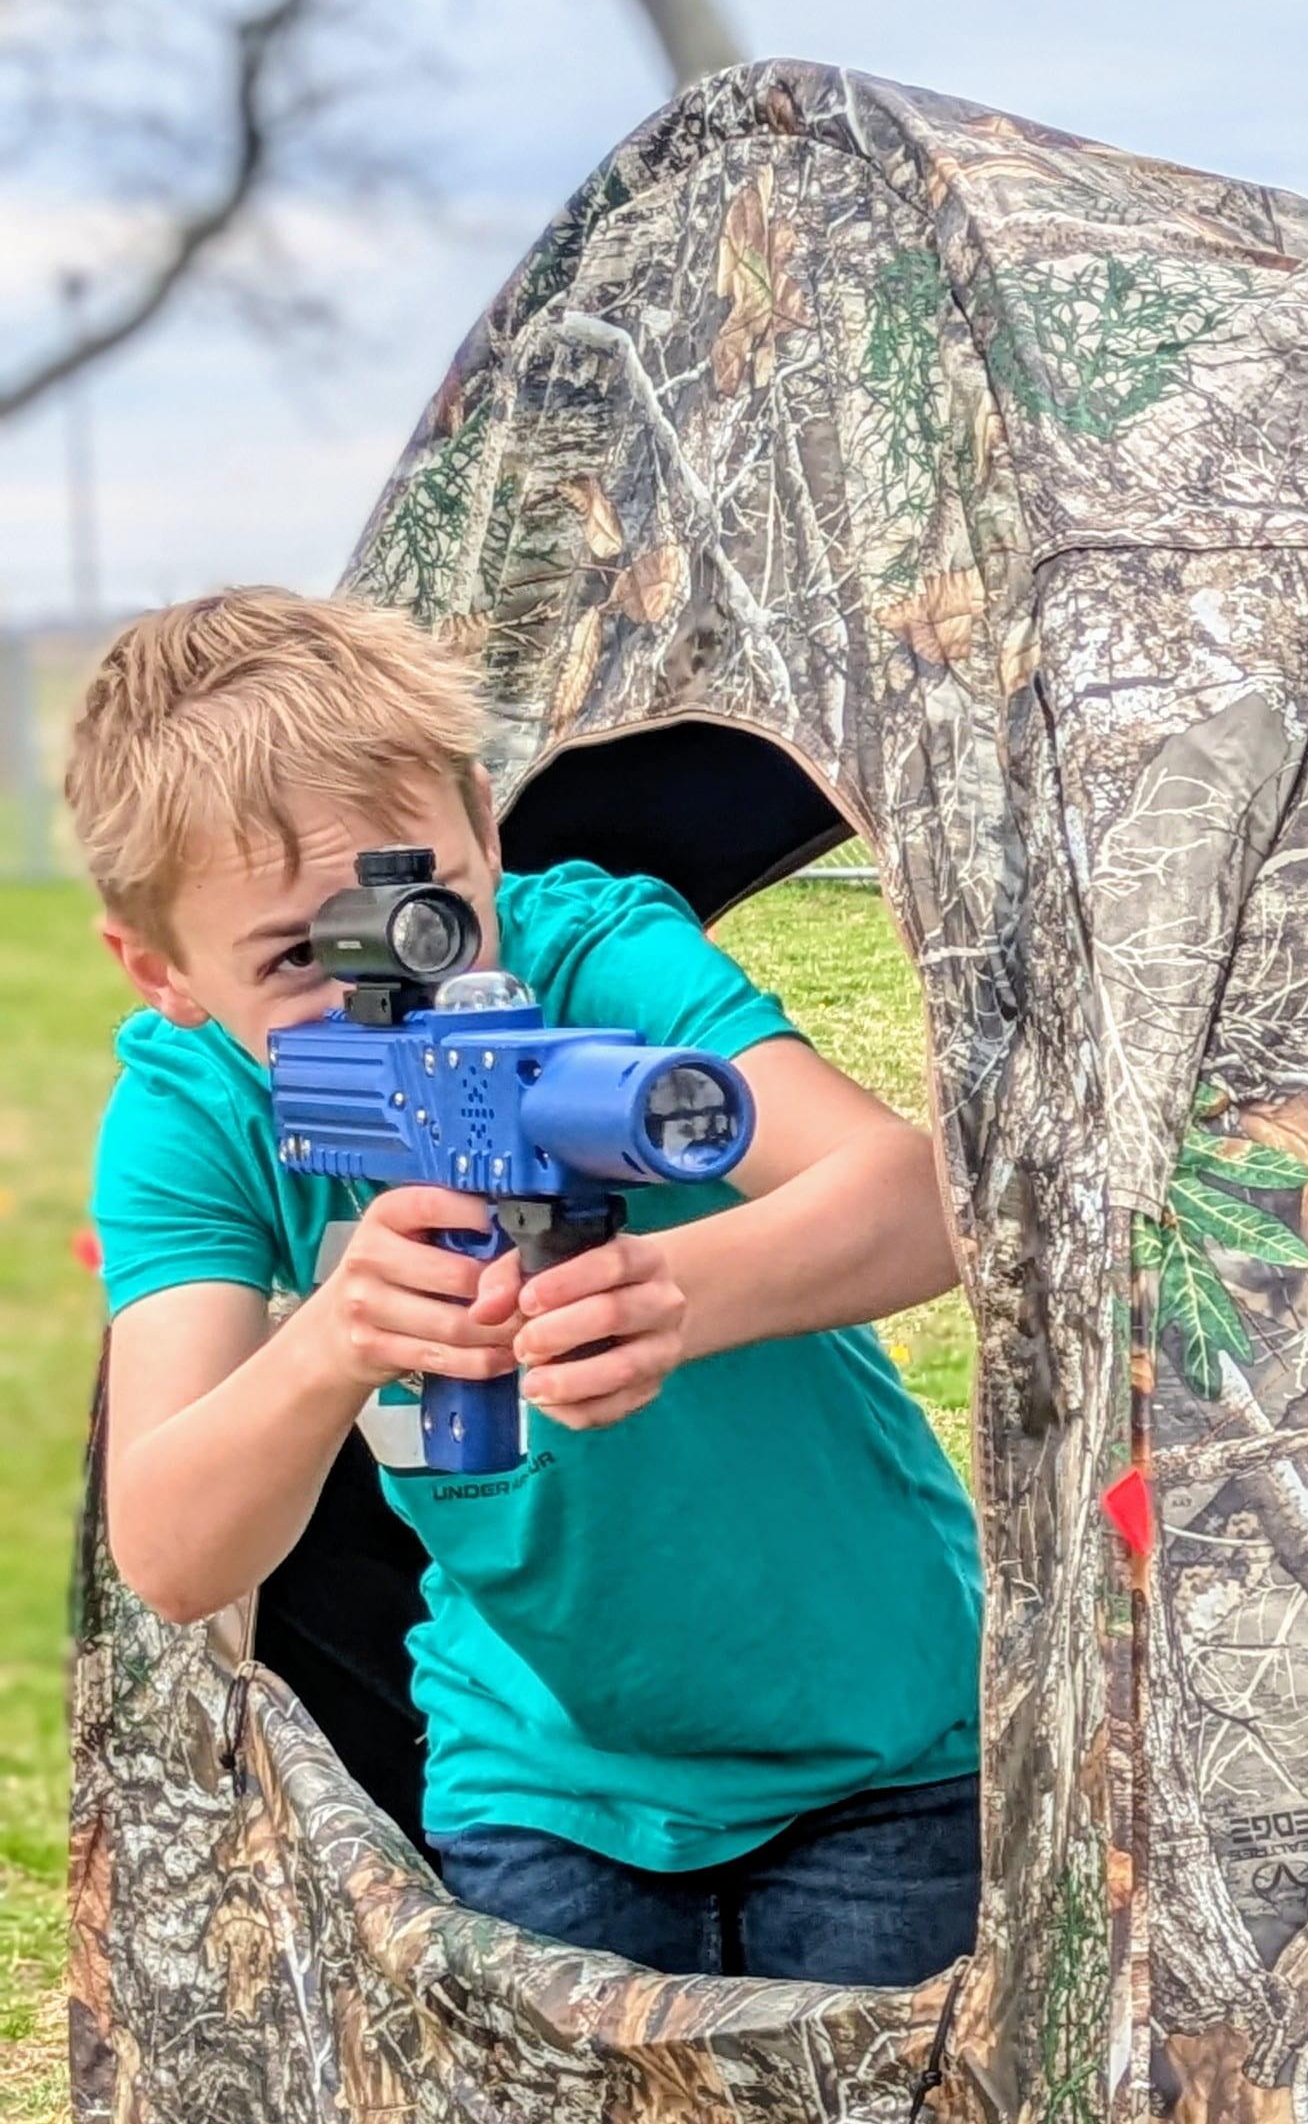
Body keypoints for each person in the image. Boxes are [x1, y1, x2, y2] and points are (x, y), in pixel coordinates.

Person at [73, 589, 986, 1988]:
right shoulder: (193, 1110)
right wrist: (334, 1340)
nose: (383, 978)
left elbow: (924, 1201)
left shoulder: (591, 957)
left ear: (488, 830)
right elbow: (174, 1548)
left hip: (881, 1740)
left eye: (419, 905)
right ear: (160, 970)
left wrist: (675, 1289)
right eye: (293, 959)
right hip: (538, 1776)